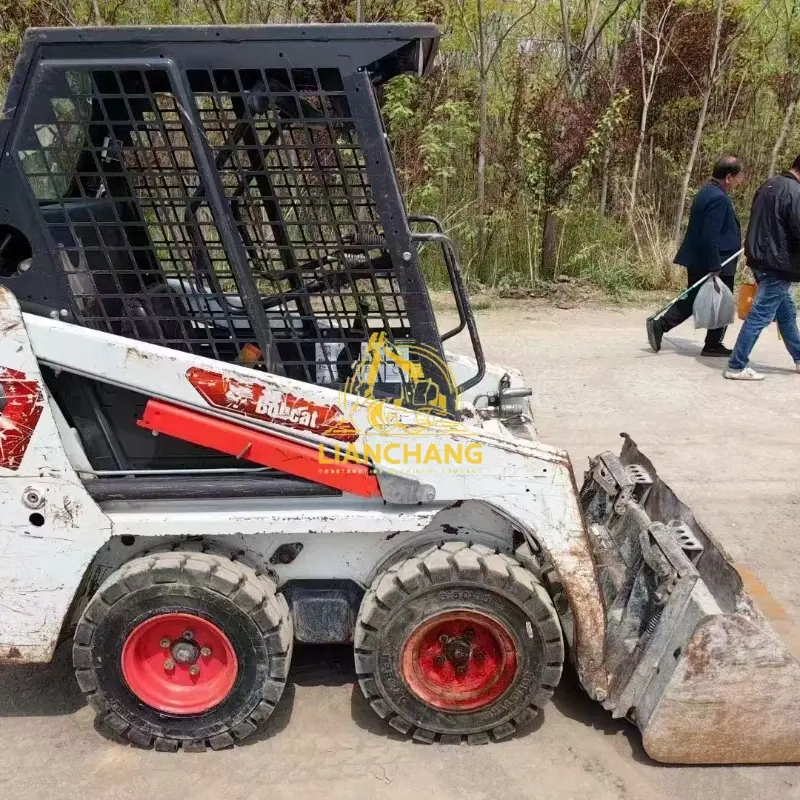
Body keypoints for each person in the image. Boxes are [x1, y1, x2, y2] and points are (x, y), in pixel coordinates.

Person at [647, 155, 744, 356]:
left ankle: (666, 327)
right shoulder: (718, 199)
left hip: (704, 258)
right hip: (715, 260)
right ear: (728, 177)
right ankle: (710, 343)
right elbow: (710, 235)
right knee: (722, 302)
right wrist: (715, 264)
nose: (740, 180)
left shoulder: (707, 192)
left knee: (694, 299)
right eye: (739, 176)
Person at [723, 157, 800, 380]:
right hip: (779, 264)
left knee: (786, 313)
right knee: (760, 316)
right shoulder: (794, 192)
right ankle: (737, 365)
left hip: (761, 259)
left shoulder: (770, 184)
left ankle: (798, 356)